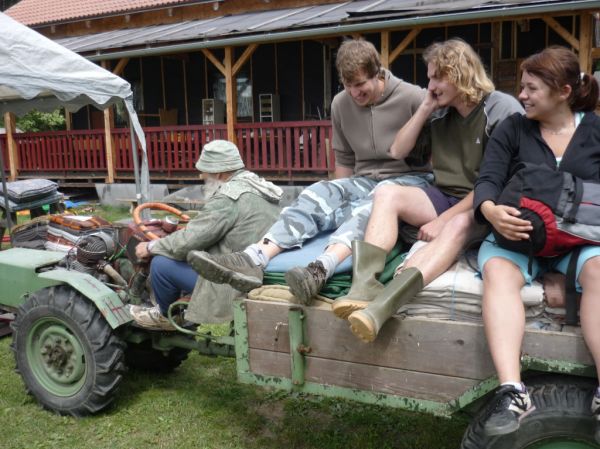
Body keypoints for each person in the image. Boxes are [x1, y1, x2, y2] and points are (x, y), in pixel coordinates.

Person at [186, 39, 432, 302]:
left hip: (409, 181)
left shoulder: (412, 97)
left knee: (368, 208)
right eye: (348, 86)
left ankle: (321, 268)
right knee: (318, 192)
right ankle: (254, 257)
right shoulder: (341, 104)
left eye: (360, 85)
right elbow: (345, 160)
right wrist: (337, 200)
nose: (354, 93)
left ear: (378, 73)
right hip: (363, 179)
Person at [332, 38, 523, 342]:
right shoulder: (439, 112)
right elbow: (397, 150)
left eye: (436, 76)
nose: (430, 84)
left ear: (459, 73)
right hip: (444, 194)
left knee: (459, 223)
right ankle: (363, 286)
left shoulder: (500, 108)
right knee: (387, 192)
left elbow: (494, 182)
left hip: (486, 201)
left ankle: (382, 307)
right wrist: (424, 108)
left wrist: (443, 220)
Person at [473, 46, 600, 438]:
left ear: (563, 91)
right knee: (497, 272)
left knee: (599, 271)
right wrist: (491, 211)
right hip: (516, 238)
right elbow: (488, 179)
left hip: (578, 241)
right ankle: (513, 392)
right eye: (521, 87)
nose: (521, 96)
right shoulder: (512, 127)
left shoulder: (595, 129)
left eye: (531, 88)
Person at [129, 139, 282, 330]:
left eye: (204, 173)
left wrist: (151, 247)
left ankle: (167, 317)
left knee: (161, 263)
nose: (202, 177)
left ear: (218, 173)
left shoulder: (227, 198)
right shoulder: (258, 186)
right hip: (262, 267)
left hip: (233, 280)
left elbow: (188, 241)